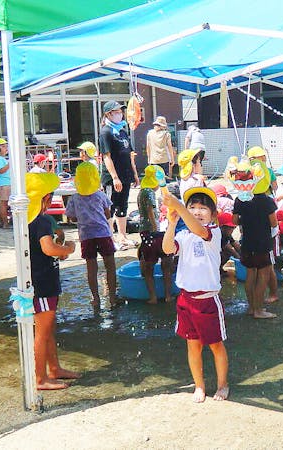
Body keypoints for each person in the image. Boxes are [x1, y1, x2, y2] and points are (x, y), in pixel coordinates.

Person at [162, 186, 229, 402]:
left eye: (203, 208)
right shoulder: (183, 234)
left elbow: (200, 231)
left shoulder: (213, 233)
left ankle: (222, 384)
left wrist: (180, 208)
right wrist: (172, 222)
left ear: (213, 214)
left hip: (208, 300)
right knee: (193, 345)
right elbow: (167, 249)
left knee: (216, 345)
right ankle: (199, 386)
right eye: (193, 207)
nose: (197, 211)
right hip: (186, 300)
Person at [26, 172, 80, 390]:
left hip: (40, 281)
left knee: (47, 330)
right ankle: (40, 378)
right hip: (43, 283)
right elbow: (49, 248)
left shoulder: (29, 220)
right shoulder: (40, 222)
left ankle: (54, 368)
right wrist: (67, 249)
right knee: (42, 333)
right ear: (46, 199)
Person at [65, 162, 118, 309]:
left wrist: (83, 217)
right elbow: (108, 214)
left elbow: (71, 218)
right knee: (110, 266)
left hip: (86, 236)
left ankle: (96, 298)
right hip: (103, 234)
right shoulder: (100, 195)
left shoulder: (74, 198)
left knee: (91, 269)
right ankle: (113, 297)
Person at [232, 162, 278, 319]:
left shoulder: (240, 199)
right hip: (262, 243)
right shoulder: (266, 201)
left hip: (247, 242)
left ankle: (251, 307)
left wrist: (246, 221)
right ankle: (259, 310)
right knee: (263, 274)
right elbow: (274, 223)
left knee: (250, 274)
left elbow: (234, 220)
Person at [98, 100, 139, 250]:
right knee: (111, 206)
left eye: (121, 112)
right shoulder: (106, 132)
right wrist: (115, 177)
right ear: (108, 114)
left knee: (123, 206)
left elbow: (130, 154)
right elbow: (106, 156)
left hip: (126, 174)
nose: (120, 115)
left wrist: (134, 174)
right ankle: (110, 238)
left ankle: (123, 236)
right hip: (113, 178)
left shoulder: (122, 131)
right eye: (116, 112)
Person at [137, 165, 174, 304]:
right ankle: (168, 296)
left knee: (148, 267)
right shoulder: (150, 193)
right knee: (166, 265)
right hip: (153, 233)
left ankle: (153, 297)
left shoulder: (141, 192)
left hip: (146, 234)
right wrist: (155, 226)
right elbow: (151, 211)